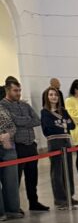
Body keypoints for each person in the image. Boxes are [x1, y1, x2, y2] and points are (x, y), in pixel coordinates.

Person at [1, 76, 48, 211]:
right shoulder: (3, 106)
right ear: (7, 90)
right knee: (14, 179)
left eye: (19, 90)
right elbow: (12, 122)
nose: (18, 93)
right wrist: (26, 120)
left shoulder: (25, 105)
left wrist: (21, 120)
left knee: (32, 176)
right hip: (17, 146)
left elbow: (37, 120)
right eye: (15, 90)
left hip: (30, 145)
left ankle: (34, 202)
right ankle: (13, 206)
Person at [41, 86, 78, 210]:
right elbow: (48, 128)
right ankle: (60, 199)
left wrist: (60, 124)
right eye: (51, 95)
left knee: (68, 170)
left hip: (66, 141)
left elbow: (72, 125)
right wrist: (64, 124)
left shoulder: (63, 110)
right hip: (54, 142)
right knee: (57, 171)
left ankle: (69, 195)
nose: (54, 97)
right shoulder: (45, 112)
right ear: (47, 97)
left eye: (56, 94)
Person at [0, 98, 22, 220]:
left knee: (11, 180)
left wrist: (7, 135)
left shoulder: (2, 108)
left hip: (8, 147)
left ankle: (12, 209)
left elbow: (12, 125)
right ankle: (0, 213)